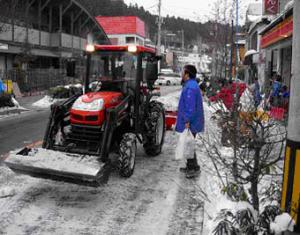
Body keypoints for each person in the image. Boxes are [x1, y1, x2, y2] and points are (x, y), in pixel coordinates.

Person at [175, 64, 205, 178]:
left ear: (187, 74)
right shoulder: (190, 85)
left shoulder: (190, 87)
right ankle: (191, 166)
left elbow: (190, 107)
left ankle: (193, 168)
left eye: (183, 72)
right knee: (189, 142)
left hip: (191, 121)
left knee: (189, 143)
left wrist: (187, 120)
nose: (181, 74)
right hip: (193, 120)